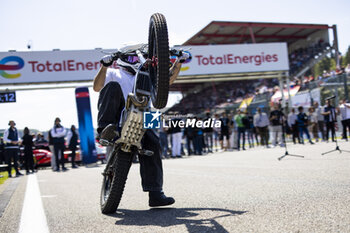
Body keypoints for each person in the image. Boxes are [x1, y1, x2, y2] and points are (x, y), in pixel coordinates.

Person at [92, 47, 189, 207]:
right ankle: (104, 130)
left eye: (138, 58)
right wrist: (104, 66)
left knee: (155, 144)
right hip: (118, 113)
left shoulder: (148, 74)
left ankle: (156, 193)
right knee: (112, 87)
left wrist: (178, 62)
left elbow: (167, 80)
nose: (136, 61)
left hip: (144, 112)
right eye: (131, 59)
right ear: (122, 60)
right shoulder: (113, 73)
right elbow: (96, 87)